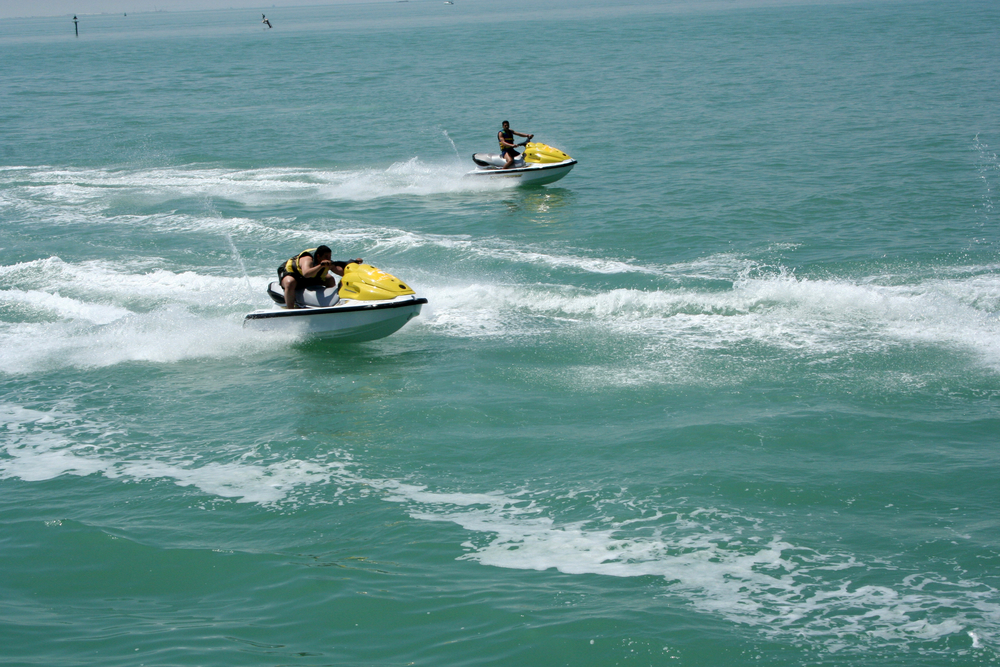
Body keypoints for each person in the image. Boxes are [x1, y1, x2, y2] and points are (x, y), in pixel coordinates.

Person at [278, 246, 363, 309]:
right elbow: (306, 273)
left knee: (330, 279)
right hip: (294, 276)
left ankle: (330, 304)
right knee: (290, 282)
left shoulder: (326, 262)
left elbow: (340, 272)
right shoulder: (307, 259)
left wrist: (354, 268)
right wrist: (320, 266)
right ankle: (290, 310)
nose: (328, 259)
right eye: (326, 257)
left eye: (330, 257)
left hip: (309, 279)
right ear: (318, 256)